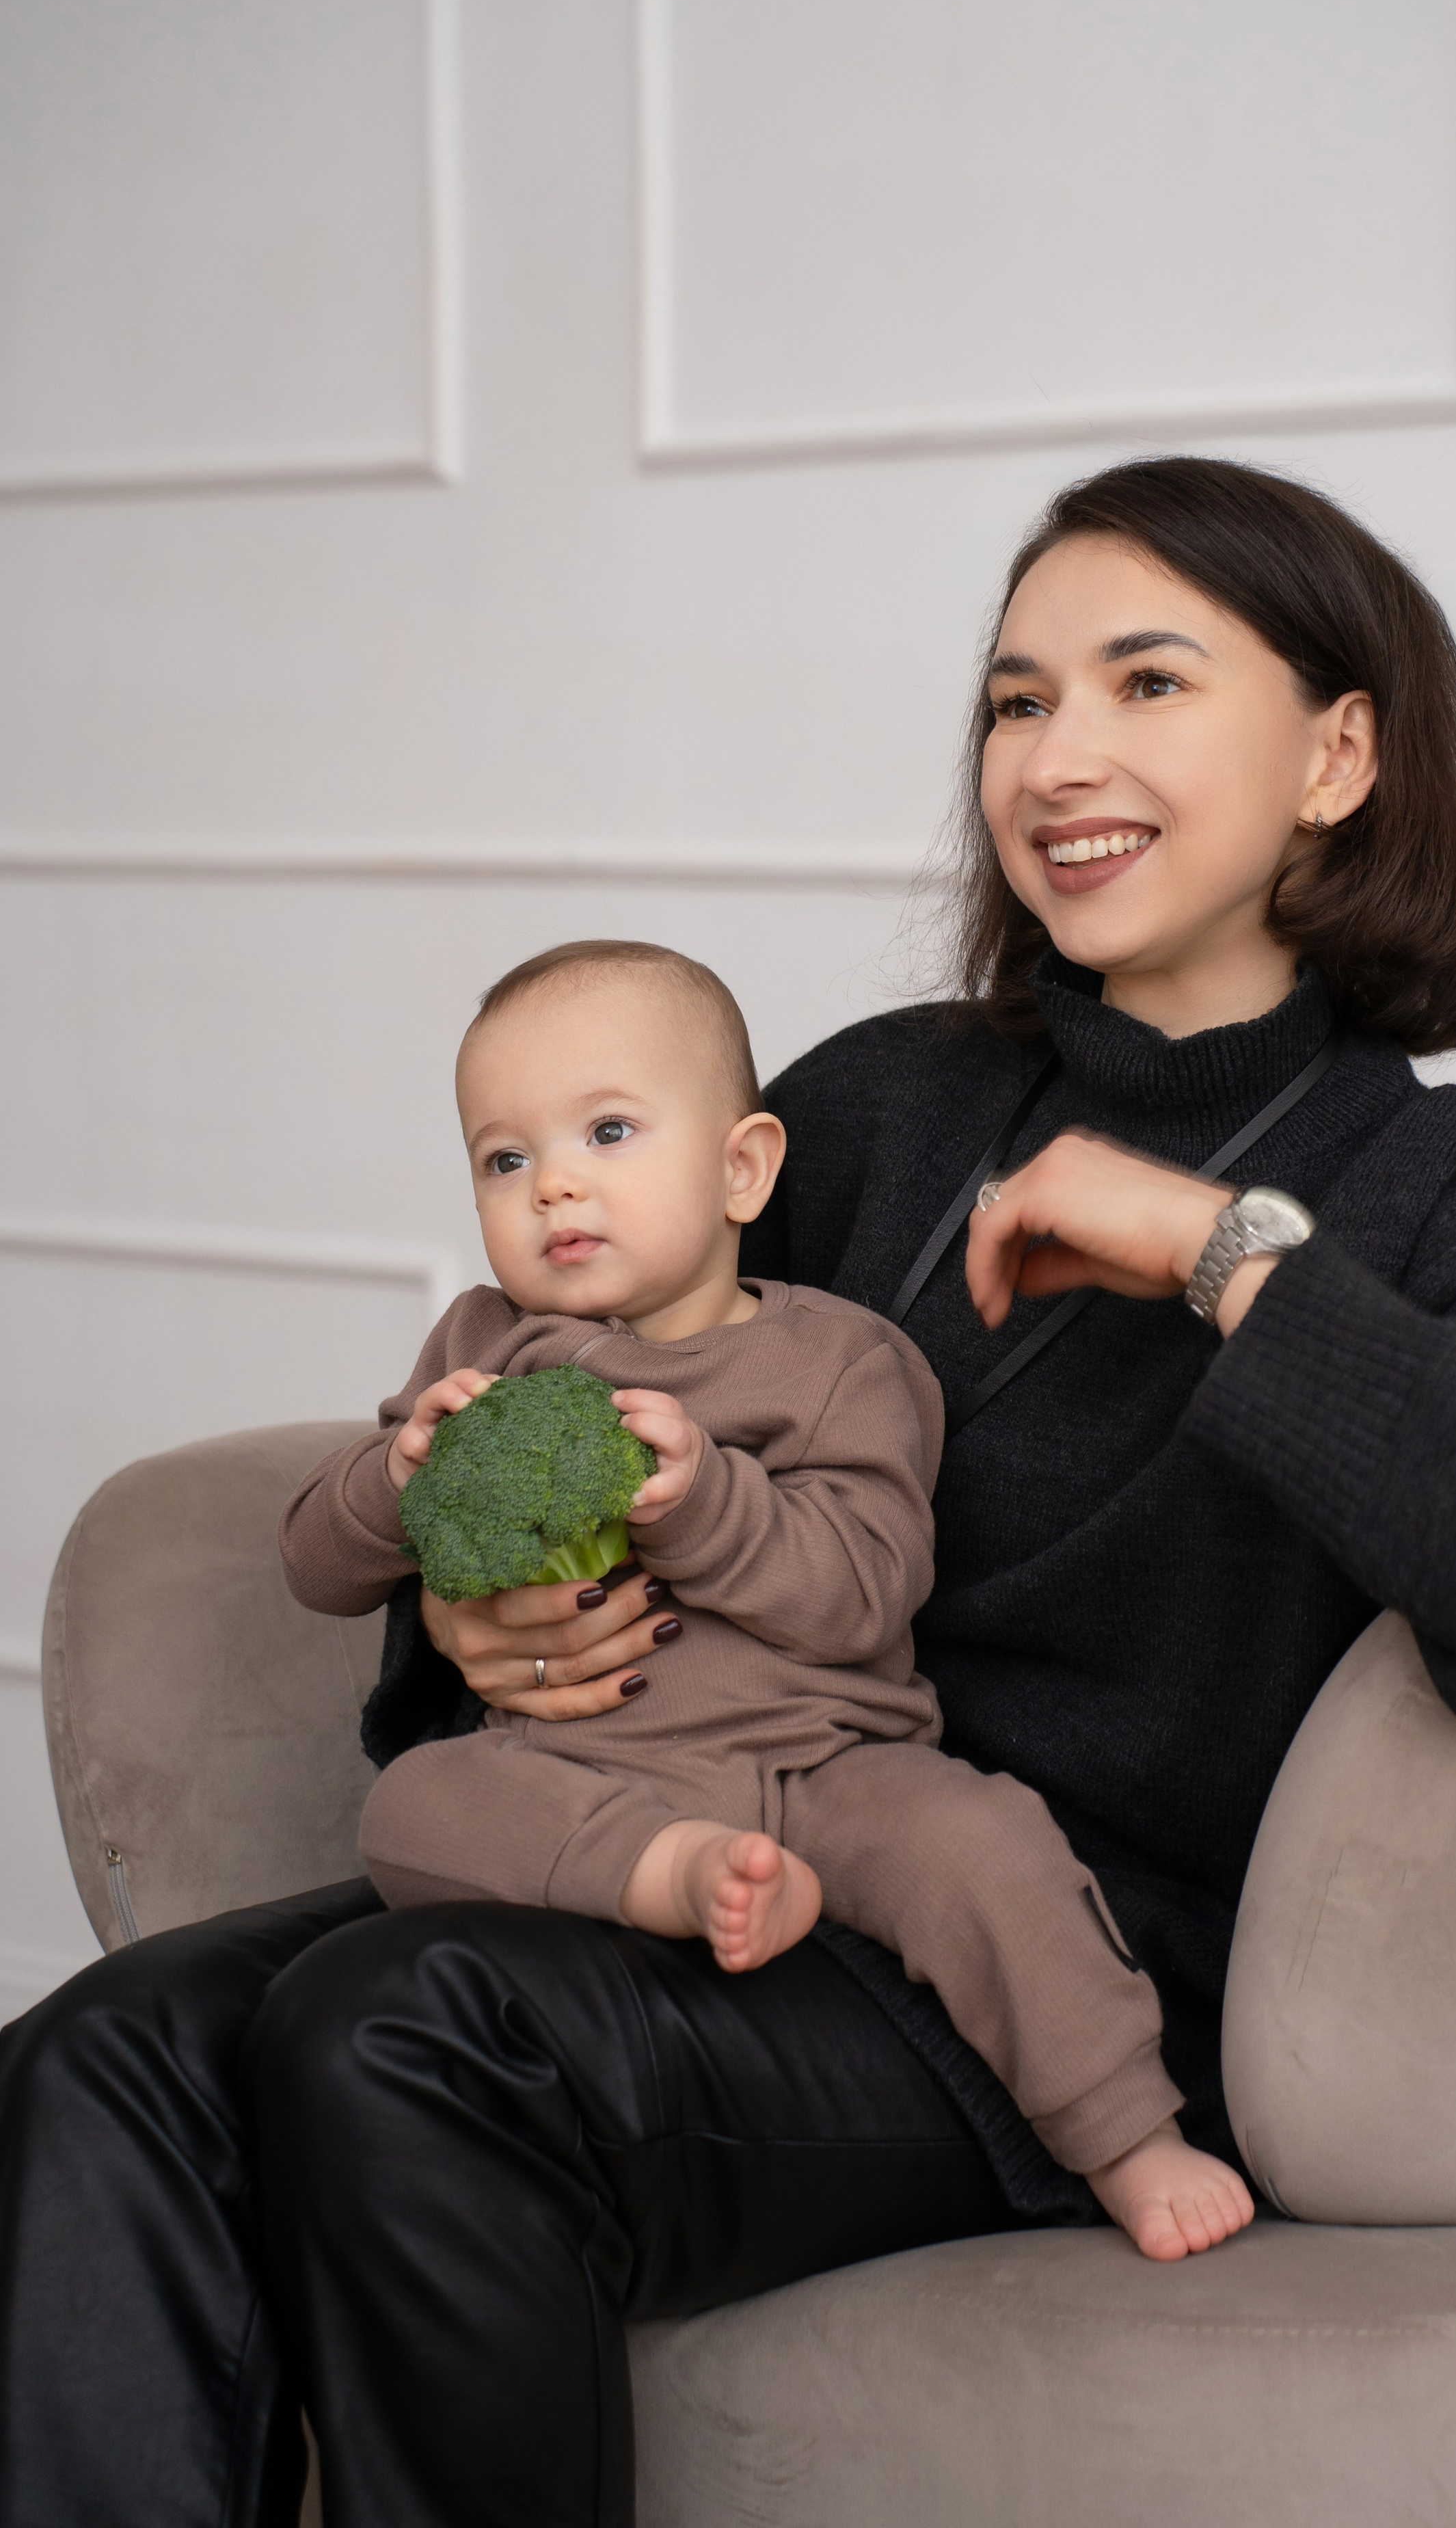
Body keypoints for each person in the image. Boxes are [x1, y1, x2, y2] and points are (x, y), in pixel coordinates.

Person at [0, 457, 1456, 2528]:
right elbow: (594, 1378)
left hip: (1025, 1965)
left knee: (400, 2032)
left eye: (1146, 682)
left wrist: (1216, 1248)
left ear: (1341, 752)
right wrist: (476, 1616)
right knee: (100, 2054)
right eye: (1013, 701)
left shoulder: (1452, 1197)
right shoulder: (885, 1100)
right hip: (684, 1832)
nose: (1055, 758)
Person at [283, 937, 1239, 2251]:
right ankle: (675, 1878)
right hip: (585, 1772)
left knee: (989, 1851)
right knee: (415, 1805)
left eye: (608, 1132)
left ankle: (1128, 2132)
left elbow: (863, 1591)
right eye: (505, 1160)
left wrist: (707, 1502)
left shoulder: (839, 1361)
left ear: (743, 1168)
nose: (553, 1182)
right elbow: (315, 1566)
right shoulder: (481, 1347)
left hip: (824, 1768)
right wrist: (396, 1482)